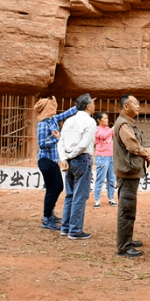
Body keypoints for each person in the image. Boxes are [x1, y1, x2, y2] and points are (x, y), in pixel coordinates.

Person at [113, 94, 150, 257]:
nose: (138, 106)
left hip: (128, 172)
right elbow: (132, 145)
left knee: (127, 208)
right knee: (127, 210)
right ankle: (124, 247)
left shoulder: (125, 123)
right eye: (135, 104)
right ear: (126, 107)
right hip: (127, 173)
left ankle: (127, 240)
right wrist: (144, 153)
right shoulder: (123, 125)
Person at [34, 96, 78, 231]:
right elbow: (41, 144)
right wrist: (56, 139)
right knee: (55, 188)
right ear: (46, 108)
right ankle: (47, 219)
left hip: (52, 161)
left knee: (56, 188)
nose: (55, 107)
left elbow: (65, 114)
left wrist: (79, 107)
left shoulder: (52, 120)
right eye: (51, 105)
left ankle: (49, 214)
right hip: (45, 160)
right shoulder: (42, 124)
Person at [57, 93, 96, 240]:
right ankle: (75, 230)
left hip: (69, 160)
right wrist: (70, 156)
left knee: (70, 194)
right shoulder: (90, 122)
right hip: (81, 159)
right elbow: (84, 144)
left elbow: (61, 141)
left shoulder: (69, 121)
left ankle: (65, 227)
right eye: (92, 103)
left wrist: (64, 157)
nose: (94, 106)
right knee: (80, 196)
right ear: (87, 106)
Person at [93, 111, 117, 209]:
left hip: (110, 156)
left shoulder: (107, 129)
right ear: (99, 120)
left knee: (111, 179)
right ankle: (97, 200)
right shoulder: (96, 129)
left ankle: (111, 198)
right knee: (100, 179)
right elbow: (103, 136)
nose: (107, 120)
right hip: (102, 156)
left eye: (107, 118)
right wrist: (113, 128)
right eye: (104, 118)